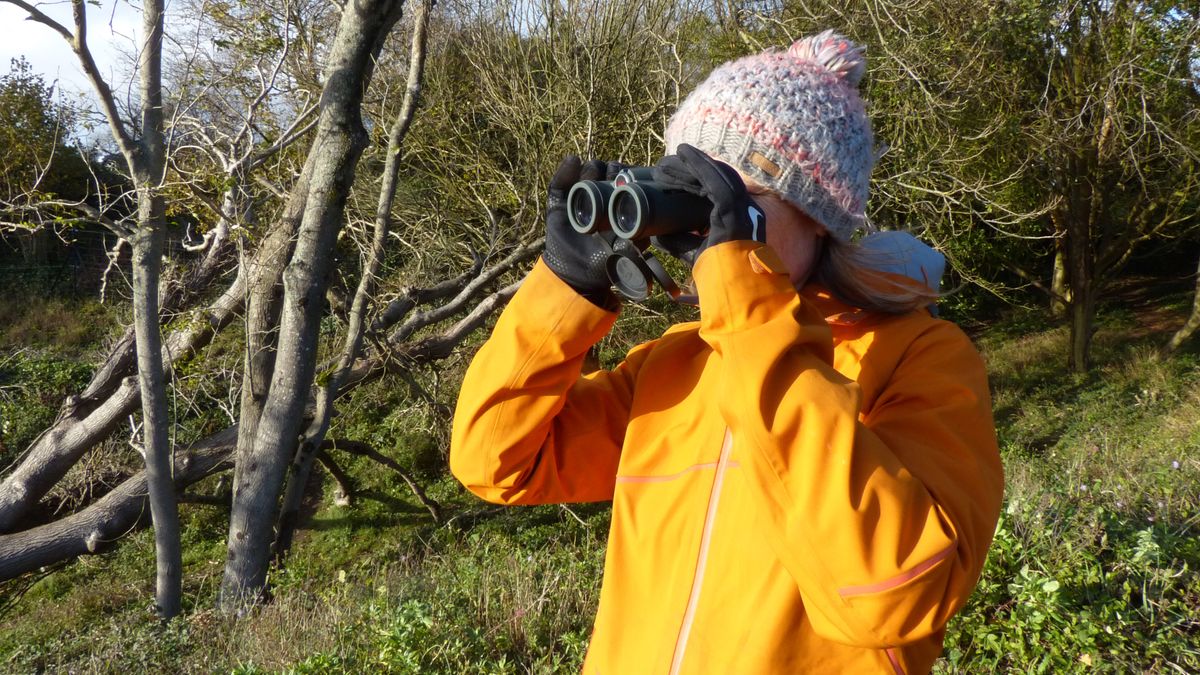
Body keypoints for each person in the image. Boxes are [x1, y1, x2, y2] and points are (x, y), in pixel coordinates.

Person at [450, 30, 1003, 674]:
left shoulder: (920, 357)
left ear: (817, 216)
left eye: (734, 203)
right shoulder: (677, 363)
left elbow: (891, 596)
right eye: (692, 194)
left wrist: (749, 306)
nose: (704, 227)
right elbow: (494, 461)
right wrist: (565, 287)